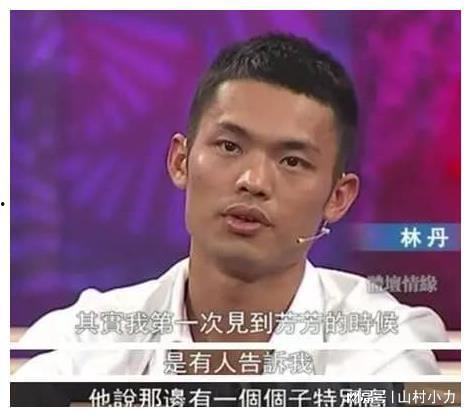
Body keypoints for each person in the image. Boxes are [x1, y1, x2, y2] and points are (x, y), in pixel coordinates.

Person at [14, 32, 447, 378]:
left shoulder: (382, 346)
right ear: (180, 161)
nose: (253, 181)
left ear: (338, 197)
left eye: (292, 161)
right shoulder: (87, 340)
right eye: (229, 146)